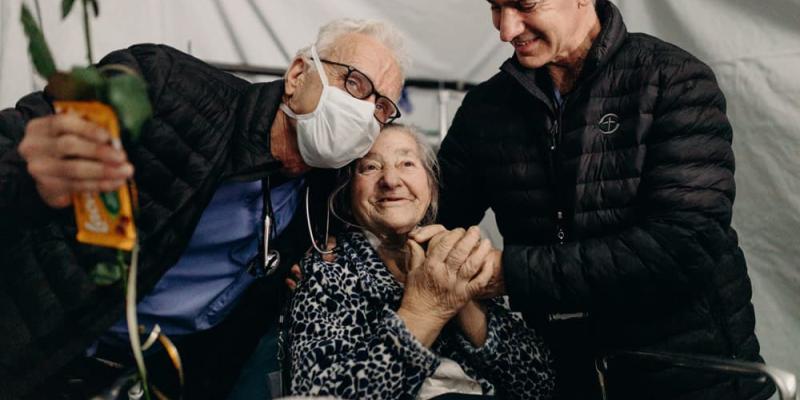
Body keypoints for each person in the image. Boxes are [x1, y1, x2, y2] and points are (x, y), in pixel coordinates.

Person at [0, 18, 407, 399]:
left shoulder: (324, 199)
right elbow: (16, 141)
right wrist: (27, 164)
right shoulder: (165, 85)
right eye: (354, 84)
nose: (365, 112)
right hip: (32, 344)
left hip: (143, 381)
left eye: (382, 108)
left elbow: (409, 202)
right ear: (297, 74)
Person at [431, 0, 772, 399]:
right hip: (564, 374)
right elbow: (434, 218)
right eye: (495, 7)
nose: (506, 30)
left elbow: (685, 244)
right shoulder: (485, 109)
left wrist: (510, 272)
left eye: (525, 5)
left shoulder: (674, 79)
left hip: (690, 375)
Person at [286, 125, 555, 400]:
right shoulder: (327, 268)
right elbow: (318, 394)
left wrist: (464, 303)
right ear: (348, 191)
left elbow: (538, 384)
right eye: (370, 167)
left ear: (431, 186)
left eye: (407, 163)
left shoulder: (455, 254)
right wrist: (427, 309)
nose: (391, 179)